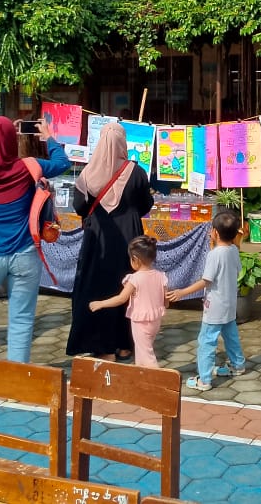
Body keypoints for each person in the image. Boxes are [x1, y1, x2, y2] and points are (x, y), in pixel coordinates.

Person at [0, 116, 69, 362]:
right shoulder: (28, 167)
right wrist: (48, 137)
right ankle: (17, 377)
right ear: (12, 141)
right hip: (24, 256)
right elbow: (62, 162)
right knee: (21, 319)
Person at [67, 121, 153, 361]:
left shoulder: (87, 173)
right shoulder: (136, 172)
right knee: (128, 287)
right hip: (129, 238)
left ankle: (101, 346)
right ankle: (125, 345)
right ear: (122, 142)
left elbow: (79, 206)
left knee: (97, 286)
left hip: (98, 240)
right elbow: (146, 204)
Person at [167, 211, 246, 391]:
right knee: (231, 336)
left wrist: (182, 292)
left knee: (206, 342)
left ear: (215, 232)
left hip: (215, 307)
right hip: (229, 304)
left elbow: (206, 280)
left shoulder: (214, 255)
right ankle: (238, 365)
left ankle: (204, 380)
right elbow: (234, 270)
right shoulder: (234, 250)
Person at [89, 235, 168, 368]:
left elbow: (121, 298)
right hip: (156, 321)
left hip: (140, 322)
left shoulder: (134, 279)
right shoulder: (161, 277)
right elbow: (166, 302)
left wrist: (101, 304)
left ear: (135, 259)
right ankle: (140, 373)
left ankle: (157, 378)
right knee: (143, 350)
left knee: (147, 355)